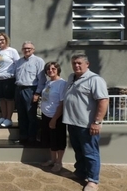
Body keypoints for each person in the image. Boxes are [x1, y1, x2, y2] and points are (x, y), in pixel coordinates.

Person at [63, 53, 109, 191]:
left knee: (90, 153)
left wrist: (97, 122)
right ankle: (81, 172)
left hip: (87, 125)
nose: (76, 65)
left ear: (87, 64)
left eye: (79, 63)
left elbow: (103, 101)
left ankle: (93, 180)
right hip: (72, 123)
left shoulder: (95, 79)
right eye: (74, 63)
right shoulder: (72, 77)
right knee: (79, 151)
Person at [14, 41, 46, 145]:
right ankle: (23, 137)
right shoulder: (19, 62)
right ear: (22, 50)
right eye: (24, 48)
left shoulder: (38, 61)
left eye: (29, 48)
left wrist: (37, 93)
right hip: (19, 89)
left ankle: (32, 138)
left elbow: (41, 79)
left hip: (30, 90)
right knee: (21, 115)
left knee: (31, 115)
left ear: (33, 49)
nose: (26, 50)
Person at [40, 62, 67, 172]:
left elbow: (62, 103)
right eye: (48, 69)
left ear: (58, 69)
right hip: (46, 115)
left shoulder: (62, 83)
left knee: (59, 140)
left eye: (53, 68)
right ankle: (52, 159)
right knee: (51, 140)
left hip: (56, 116)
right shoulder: (48, 82)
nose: (50, 70)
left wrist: (54, 119)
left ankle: (59, 162)